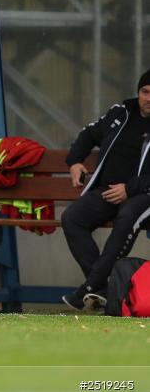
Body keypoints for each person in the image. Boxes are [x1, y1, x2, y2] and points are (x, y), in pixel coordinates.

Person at [61, 70, 150, 310]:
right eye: (145, 92)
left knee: (126, 218)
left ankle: (88, 288)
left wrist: (129, 189)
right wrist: (74, 161)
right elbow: (89, 134)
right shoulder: (120, 113)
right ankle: (101, 289)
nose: (149, 98)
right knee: (72, 218)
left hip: (143, 194)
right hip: (108, 190)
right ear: (138, 92)